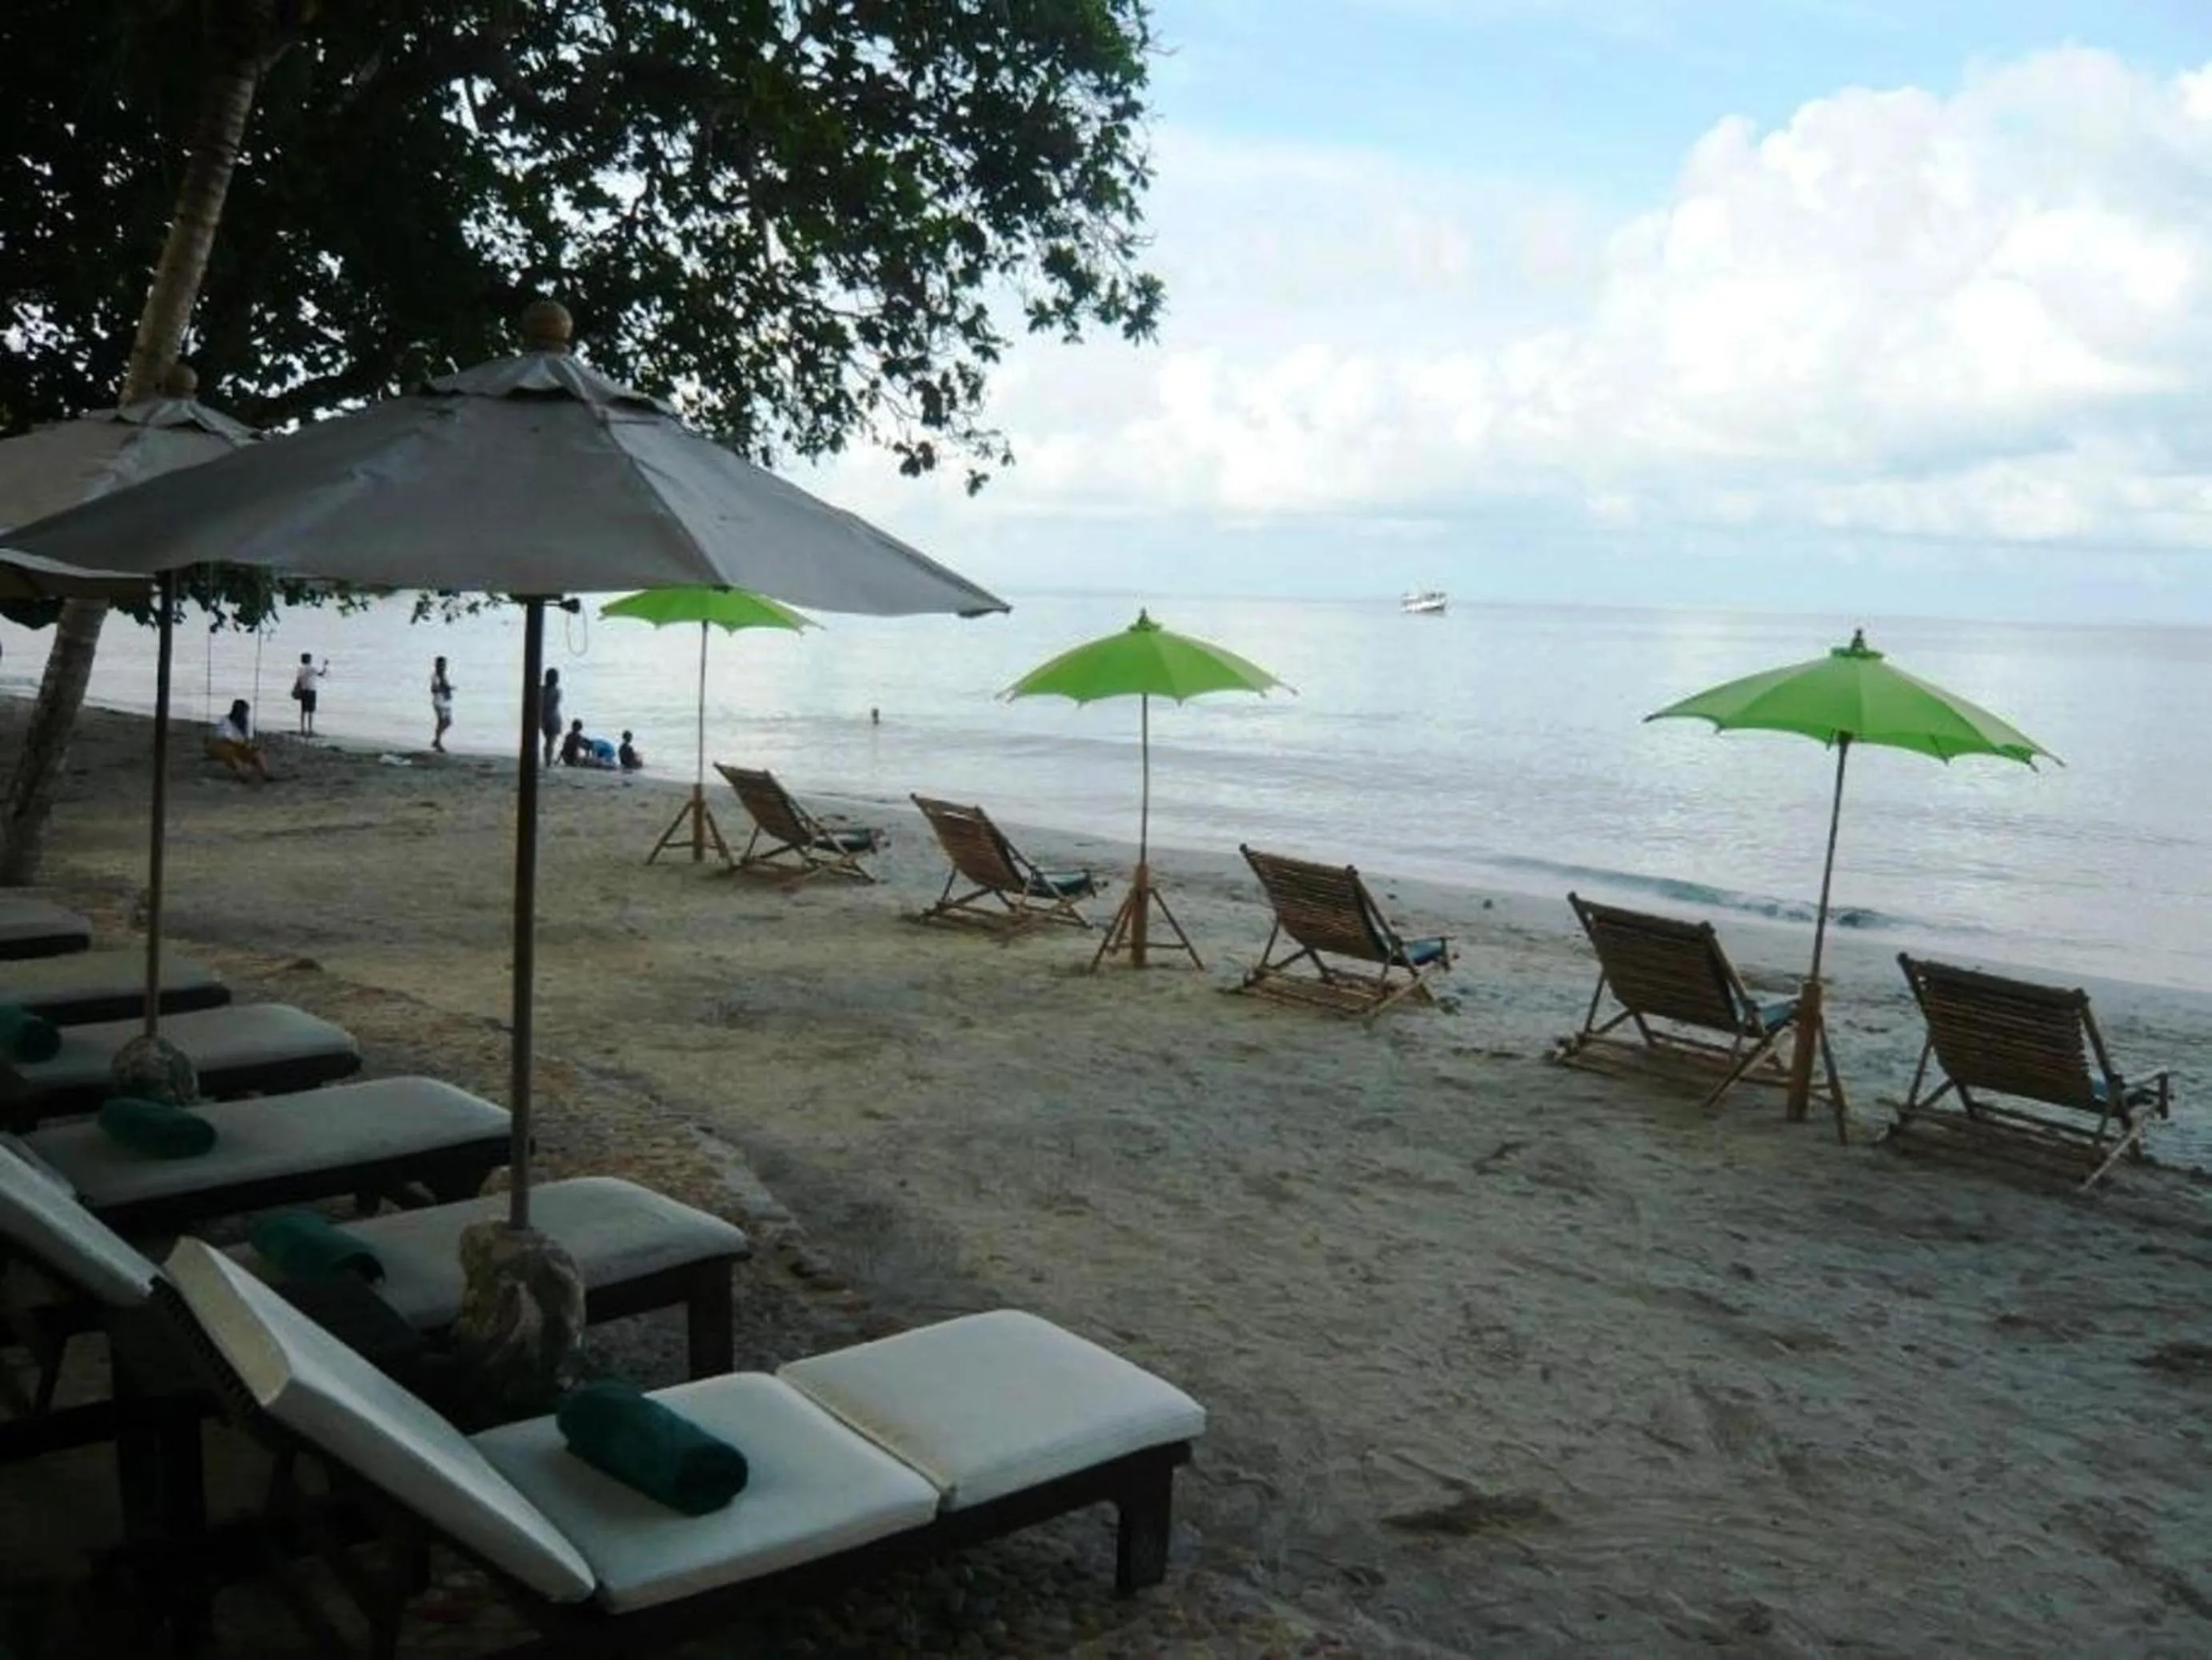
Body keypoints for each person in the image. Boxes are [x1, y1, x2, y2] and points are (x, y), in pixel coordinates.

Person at [209, 698, 272, 783]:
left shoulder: (247, 723)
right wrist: (242, 746)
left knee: (258, 752)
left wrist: (251, 747)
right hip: (226, 747)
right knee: (230, 752)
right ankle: (243, 775)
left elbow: (249, 739)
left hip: (241, 748)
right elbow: (224, 739)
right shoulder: (224, 722)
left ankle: (265, 774)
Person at [290, 652, 328, 736]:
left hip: (303, 690)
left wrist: (295, 689)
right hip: (311, 690)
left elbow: (298, 680)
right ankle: (310, 729)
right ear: (309, 660)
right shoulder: (312, 668)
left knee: (303, 711)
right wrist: (325, 665)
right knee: (311, 711)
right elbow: (321, 674)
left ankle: (302, 728)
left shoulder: (300, 669)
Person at [430, 656, 454, 752]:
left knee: (448, 722)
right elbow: (433, 689)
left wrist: (448, 688)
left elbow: (443, 686)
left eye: (445, 665)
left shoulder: (443, 675)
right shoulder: (436, 676)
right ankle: (437, 742)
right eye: (442, 665)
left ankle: (437, 741)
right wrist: (445, 689)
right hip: (439, 702)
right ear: (437, 665)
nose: (444, 667)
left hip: (445, 702)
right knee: (443, 722)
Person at [540, 668, 563, 767]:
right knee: (550, 742)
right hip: (553, 717)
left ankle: (547, 760)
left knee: (548, 742)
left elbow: (542, 704)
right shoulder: (557, 691)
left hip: (544, 717)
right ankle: (548, 761)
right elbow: (553, 705)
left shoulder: (541, 690)